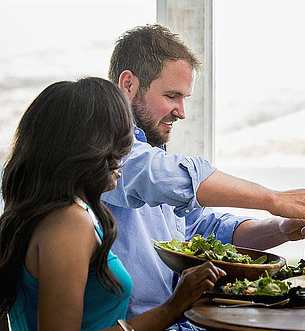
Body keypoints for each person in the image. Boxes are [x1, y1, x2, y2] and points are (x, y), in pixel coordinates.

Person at [102, 24, 305, 328]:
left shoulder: (152, 152)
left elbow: (206, 231)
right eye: (171, 96)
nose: (182, 112)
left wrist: (282, 228)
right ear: (128, 84)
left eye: (185, 98)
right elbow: (162, 176)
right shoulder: (106, 150)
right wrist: (272, 199)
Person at [0, 77, 226, 331]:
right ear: (81, 146)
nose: (125, 152)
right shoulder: (68, 223)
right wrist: (172, 308)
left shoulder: (32, 215)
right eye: (117, 140)